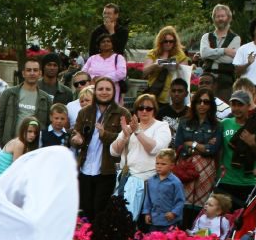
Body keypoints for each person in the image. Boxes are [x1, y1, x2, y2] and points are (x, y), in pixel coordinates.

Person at [71, 77, 127, 220]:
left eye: (108, 89)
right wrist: (77, 140)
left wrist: (104, 134)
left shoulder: (122, 113)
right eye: (100, 89)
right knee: (86, 208)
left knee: (100, 210)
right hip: (85, 167)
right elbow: (76, 134)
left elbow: (126, 139)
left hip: (107, 169)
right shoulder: (84, 112)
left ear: (113, 92)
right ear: (95, 91)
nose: (104, 92)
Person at [110, 93, 171, 218]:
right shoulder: (128, 128)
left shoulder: (162, 127)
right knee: (123, 218)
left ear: (154, 110)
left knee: (145, 221)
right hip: (126, 179)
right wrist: (125, 137)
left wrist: (137, 131)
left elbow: (155, 149)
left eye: (148, 108)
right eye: (140, 108)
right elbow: (113, 151)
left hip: (149, 182)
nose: (144, 111)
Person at [215, 90, 256, 209]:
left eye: (240, 105)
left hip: (248, 182)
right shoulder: (224, 123)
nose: (236, 108)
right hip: (225, 180)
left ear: (248, 106)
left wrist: (252, 144)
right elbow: (218, 148)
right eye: (233, 104)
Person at [0, 57, 53, 148]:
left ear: (40, 73)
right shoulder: (9, 93)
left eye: (35, 70)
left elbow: (48, 127)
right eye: (28, 70)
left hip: (33, 148)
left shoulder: (46, 99)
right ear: (23, 73)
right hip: (9, 146)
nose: (32, 73)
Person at [173, 87, 221, 205]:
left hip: (206, 169)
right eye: (199, 101)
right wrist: (202, 147)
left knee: (203, 206)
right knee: (182, 203)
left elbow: (213, 150)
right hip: (185, 166)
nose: (202, 104)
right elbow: (179, 146)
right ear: (194, 104)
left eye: (206, 102)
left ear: (211, 105)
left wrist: (192, 144)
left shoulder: (217, 125)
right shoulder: (184, 122)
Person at [199, 4, 241, 101]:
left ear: (228, 18)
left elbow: (229, 59)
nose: (220, 19)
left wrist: (211, 54)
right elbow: (204, 54)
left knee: (224, 110)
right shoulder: (206, 37)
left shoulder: (235, 38)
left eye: (223, 16)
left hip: (225, 82)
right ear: (214, 19)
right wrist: (224, 50)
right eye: (217, 16)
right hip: (207, 79)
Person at [140, 149, 184, 231]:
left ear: (172, 166)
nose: (159, 166)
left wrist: (174, 213)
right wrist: (147, 213)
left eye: (163, 164)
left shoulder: (176, 182)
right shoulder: (150, 180)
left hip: (169, 221)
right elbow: (148, 199)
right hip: (154, 220)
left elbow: (180, 200)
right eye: (157, 163)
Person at [142, 26, 187, 106]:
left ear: (175, 42)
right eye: (165, 41)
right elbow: (144, 72)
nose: (168, 44)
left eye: (171, 41)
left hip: (173, 95)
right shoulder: (153, 53)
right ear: (160, 41)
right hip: (155, 93)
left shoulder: (180, 55)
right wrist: (155, 65)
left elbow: (185, 74)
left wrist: (177, 66)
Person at [81, 35, 127, 103]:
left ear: (112, 44)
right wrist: (92, 78)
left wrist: (101, 79)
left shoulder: (119, 58)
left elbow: (121, 73)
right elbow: (83, 73)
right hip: (93, 91)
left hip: (111, 91)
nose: (106, 43)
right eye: (103, 42)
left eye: (108, 41)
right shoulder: (92, 58)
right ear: (99, 45)